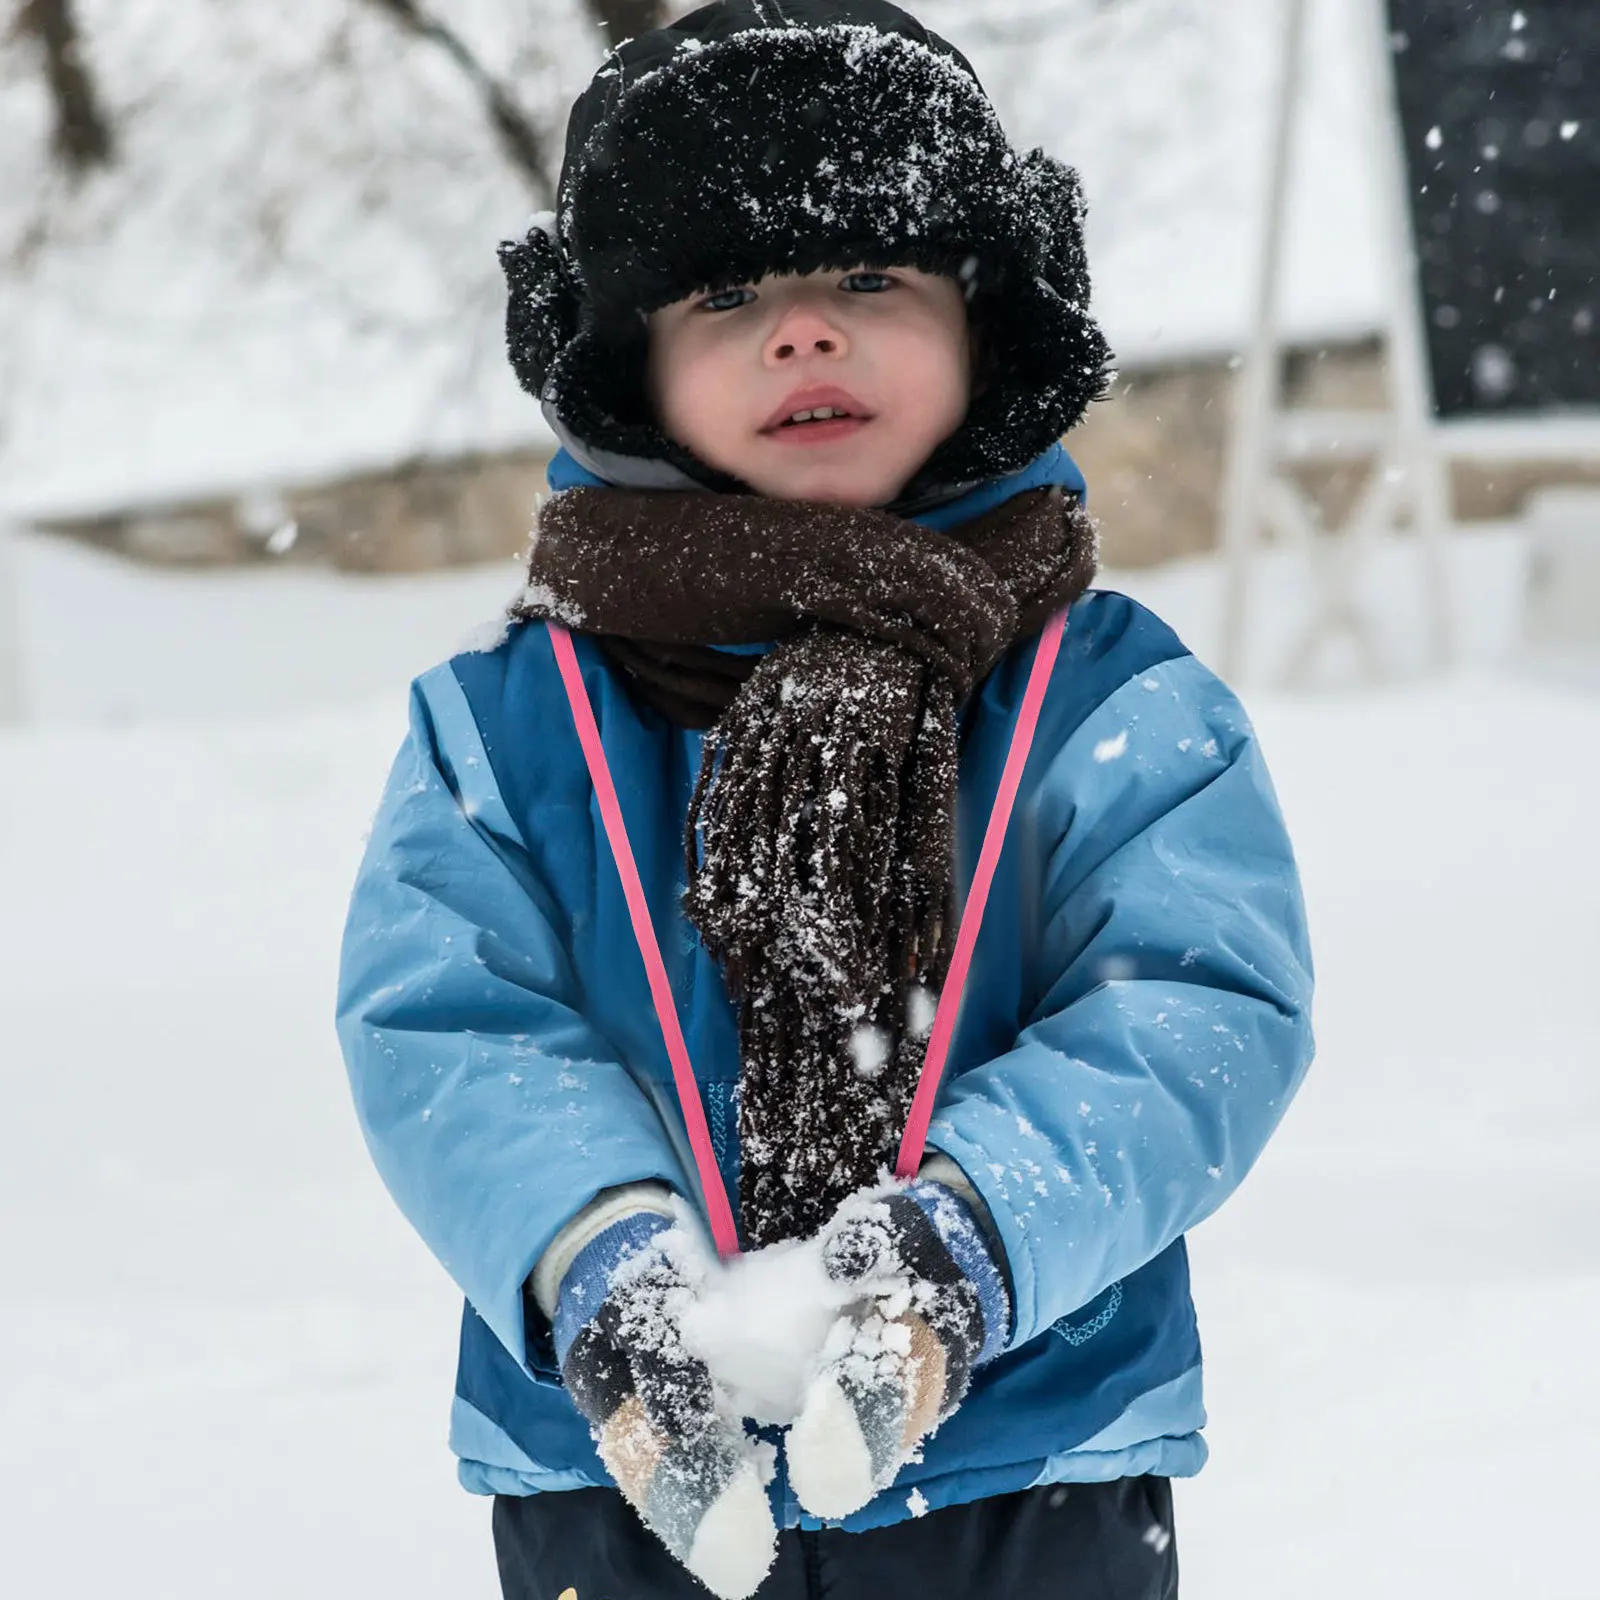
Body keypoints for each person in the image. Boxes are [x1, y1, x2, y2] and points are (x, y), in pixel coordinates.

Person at [335, 3, 1315, 1597]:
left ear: (984, 321)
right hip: (631, 1470)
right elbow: (449, 1025)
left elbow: (1196, 1009)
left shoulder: (1109, 700)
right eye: (728, 295)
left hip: (1023, 1458)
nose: (805, 332)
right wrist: (600, 1265)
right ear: (633, 367)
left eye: (870, 277)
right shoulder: (508, 729)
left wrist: (971, 1236)